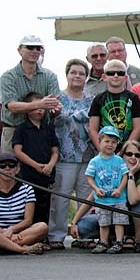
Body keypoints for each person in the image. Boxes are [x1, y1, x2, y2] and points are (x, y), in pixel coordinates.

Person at [48, 59, 95, 249]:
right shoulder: (56, 98)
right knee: (60, 198)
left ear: (86, 77)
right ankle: (56, 236)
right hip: (63, 156)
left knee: (85, 198)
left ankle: (84, 235)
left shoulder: (92, 100)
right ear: (67, 75)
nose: (77, 76)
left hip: (87, 156)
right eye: (73, 72)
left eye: (81, 73)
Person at [1, 34, 60, 154]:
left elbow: (54, 105)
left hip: (41, 131)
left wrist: (56, 109)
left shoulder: (50, 76)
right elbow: (12, 106)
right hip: (13, 129)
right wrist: (40, 104)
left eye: (38, 48)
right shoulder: (8, 77)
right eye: (30, 47)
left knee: (40, 165)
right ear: (19, 50)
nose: (34, 51)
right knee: (10, 164)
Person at [11, 92, 58, 225]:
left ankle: (42, 234)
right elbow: (17, 151)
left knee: (44, 209)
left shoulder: (48, 128)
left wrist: (50, 165)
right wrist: (36, 165)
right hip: (28, 177)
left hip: (46, 177)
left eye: (42, 107)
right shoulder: (21, 129)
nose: (39, 110)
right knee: (28, 210)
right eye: (36, 106)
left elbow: (55, 151)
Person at [85, 125, 131, 254]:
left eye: (114, 142)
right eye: (107, 141)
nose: (110, 145)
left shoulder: (119, 160)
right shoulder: (95, 161)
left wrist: (120, 189)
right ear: (99, 141)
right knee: (103, 222)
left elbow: (125, 176)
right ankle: (103, 242)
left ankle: (119, 242)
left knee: (119, 221)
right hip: (102, 199)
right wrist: (96, 189)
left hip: (118, 198)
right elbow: (89, 177)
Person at [87, 59, 140, 151]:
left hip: (127, 150)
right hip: (105, 149)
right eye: (111, 73)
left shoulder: (133, 98)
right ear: (104, 77)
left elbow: (138, 127)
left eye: (120, 73)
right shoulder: (99, 99)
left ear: (125, 77)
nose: (116, 76)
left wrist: (125, 150)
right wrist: (102, 150)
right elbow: (93, 129)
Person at [0, 151, 47, 254]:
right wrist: (3, 233)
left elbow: (28, 220)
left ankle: (6, 245)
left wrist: (12, 230)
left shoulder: (27, 189)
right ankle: (23, 249)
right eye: (2, 165)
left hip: (19, 233)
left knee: (42, 227)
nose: (7, 168)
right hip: (1, 232)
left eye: (11, 165)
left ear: (17, 169)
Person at [119, 139, 140, 252]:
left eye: (137, 155)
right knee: (84, 226)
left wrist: (131, 174)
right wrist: (75, 221)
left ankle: (138, 241)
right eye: (129, 154)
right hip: (115, 213)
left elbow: (133, 200)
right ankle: (114, 238)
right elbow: (93, 196)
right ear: (122, 155)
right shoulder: (114, 170)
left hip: (135, 217)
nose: (133, 157)